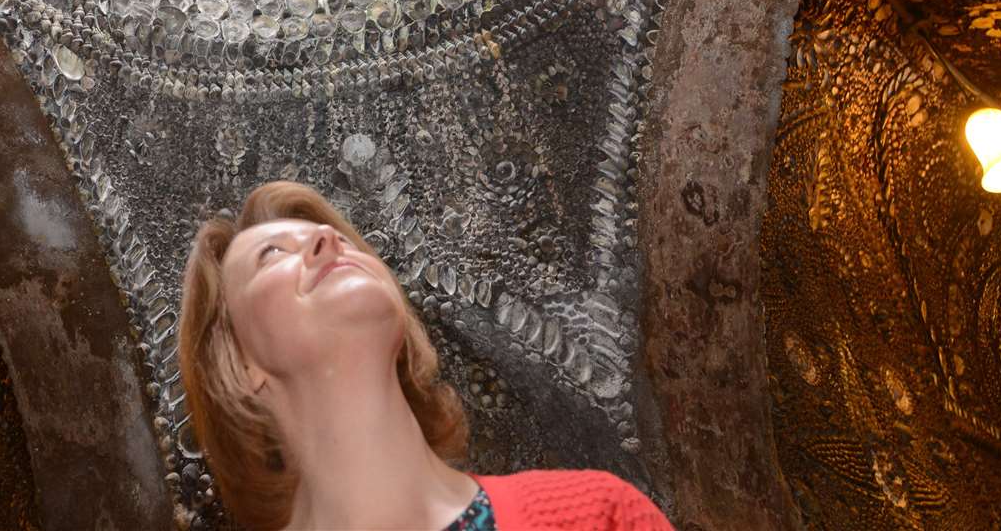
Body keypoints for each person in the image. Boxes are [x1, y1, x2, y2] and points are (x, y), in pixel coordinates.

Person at [178, 180, 675, 531]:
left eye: (337, 239)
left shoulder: (600, 518)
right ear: (238, 364)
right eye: (272, 255)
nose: (330, 241)